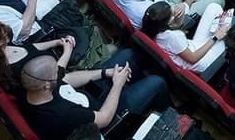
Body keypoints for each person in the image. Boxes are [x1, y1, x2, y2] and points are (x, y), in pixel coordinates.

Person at [19, 51, 170, 137]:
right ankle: (167, 111)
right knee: (156, 82)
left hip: (86, 97)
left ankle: (137, 92)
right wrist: (118, 84)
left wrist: (106, 73)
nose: (59, 71)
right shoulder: (62, 116)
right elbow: (104, 118)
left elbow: (67, 79)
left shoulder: (35, 87)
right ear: (46, 85)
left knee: (128, 54)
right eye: (55, 71)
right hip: (106, 116)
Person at [140, 0, 230, 78]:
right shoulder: (172, 37)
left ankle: (218, 32)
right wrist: (215, 37)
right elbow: (193, 59)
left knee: (214, 7)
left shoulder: (150, 27)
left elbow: (175, 26)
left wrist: (182, 7)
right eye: (172, 13)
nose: (174, 10)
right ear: (166, 21)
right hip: (200, 61)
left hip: (191, 46)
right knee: (226, 35)